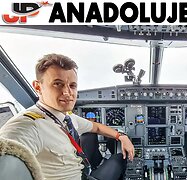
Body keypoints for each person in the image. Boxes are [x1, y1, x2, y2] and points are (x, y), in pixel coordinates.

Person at [0, 53, 135, 180]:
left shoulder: (66, 117)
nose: (67, 92)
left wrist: (121, 136)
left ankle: (94, 166)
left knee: (89, 134)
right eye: (58, 84)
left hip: (82, 171)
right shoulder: (28, 125)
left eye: (72, 85)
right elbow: (7, 148)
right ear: (38, 86)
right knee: (120, 158)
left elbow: (96, 127)